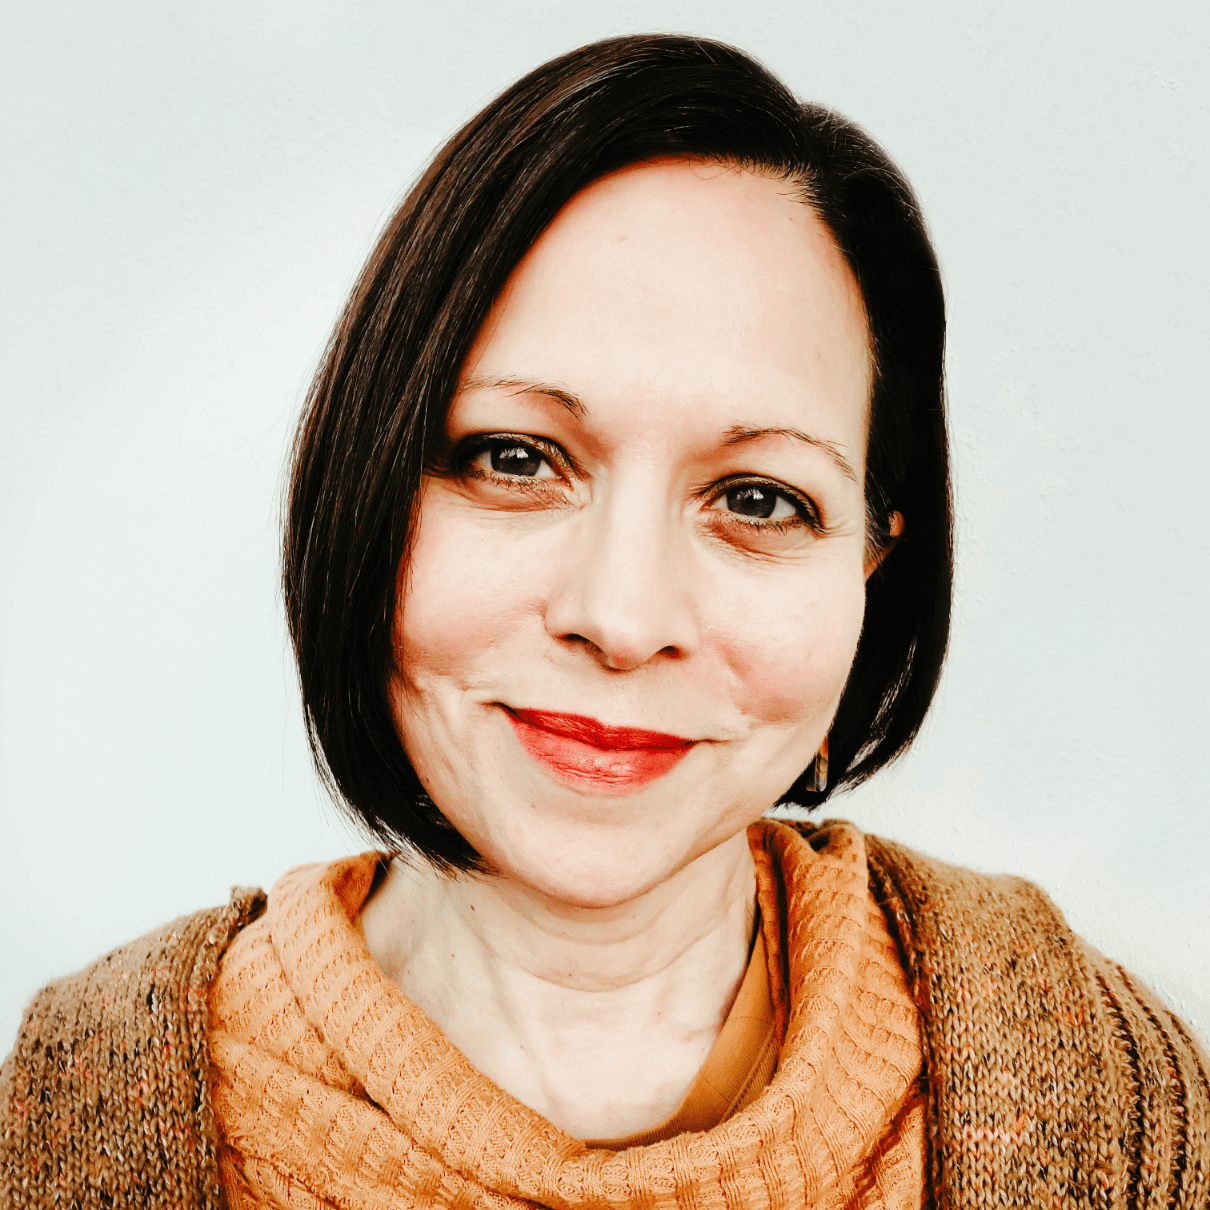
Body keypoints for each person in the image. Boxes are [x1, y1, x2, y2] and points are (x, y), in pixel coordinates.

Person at [2, 33, 1206, 1210]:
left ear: (871, 575)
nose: (622, 620)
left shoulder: (1119, 1105)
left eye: (758, 498)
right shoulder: (60, 1128)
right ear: (363, 486)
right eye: (516, 458)